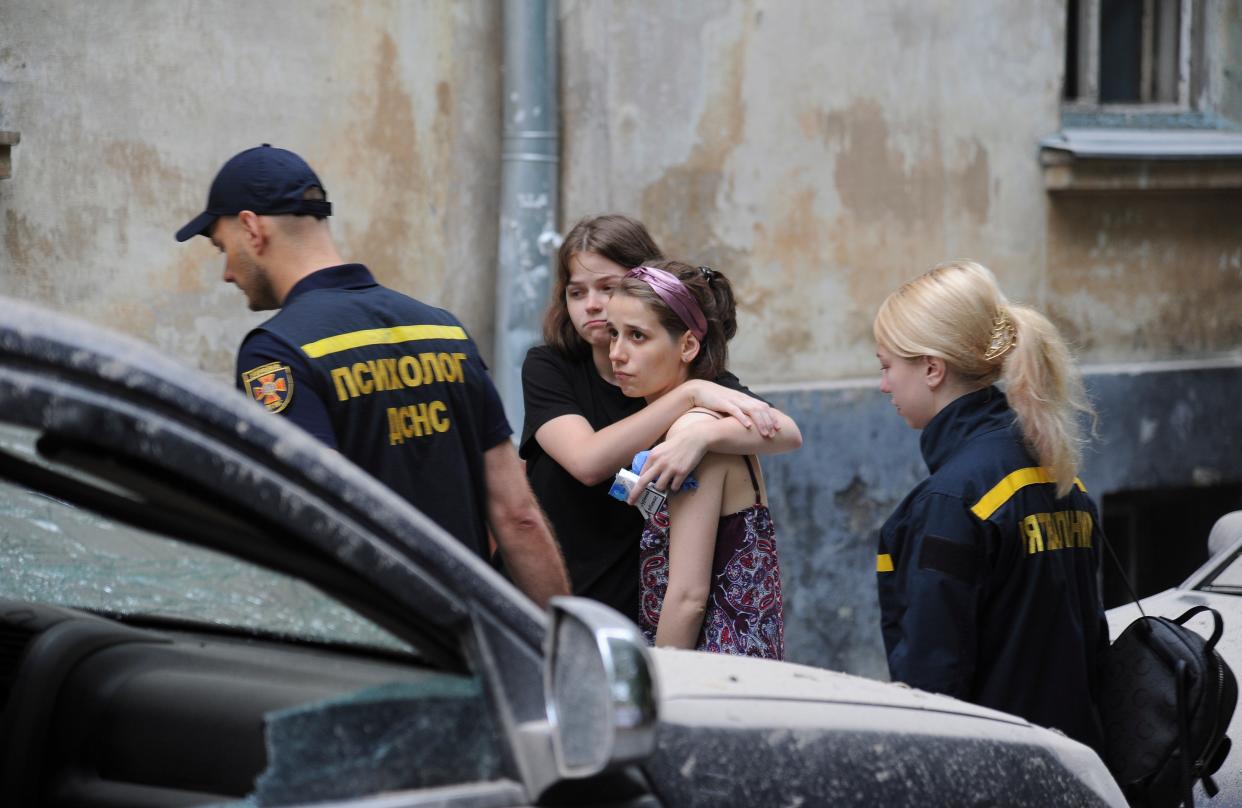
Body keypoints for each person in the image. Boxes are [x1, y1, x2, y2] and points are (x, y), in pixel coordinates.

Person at [175, 144, 569, 607]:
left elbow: (309, 520)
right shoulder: (443, 329)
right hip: (468, 640)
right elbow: (518, 517)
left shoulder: (278, 353)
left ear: (251, 228)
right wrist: (562, 651)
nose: (226, 273)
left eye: (223, 248)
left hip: (375, 646)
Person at [873, 259, 1107, 752]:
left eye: (887, 366)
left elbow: (933, 682)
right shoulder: (1055, 468)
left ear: (932, 368)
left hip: (1000, 770)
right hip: (1078, 764)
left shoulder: (951, 500)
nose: (884, 385)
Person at [520, 214, 800, 624]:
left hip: (629, 608)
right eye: (576, 292)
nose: (592, 305)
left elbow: (786, 432)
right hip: (545, 600)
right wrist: (687, 397)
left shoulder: (679, 373)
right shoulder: (550, 367)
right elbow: (586, 462)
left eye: (608, 288)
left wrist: (701, 435)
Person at [606, 260, 784, 656]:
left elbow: (688, 596)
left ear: (687, 345)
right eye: (613, 333)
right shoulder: (695, 424)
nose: (617, 353)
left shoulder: (693, 434)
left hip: (714, 668)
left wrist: (668, 685)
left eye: (637, 336)